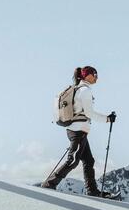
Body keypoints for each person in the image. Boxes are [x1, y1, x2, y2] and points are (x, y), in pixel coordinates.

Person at [40, 66, 117, 198]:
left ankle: (92, 191)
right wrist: (107, 119)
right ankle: (50, 184)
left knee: (88, 160)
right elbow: (89, 113)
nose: (97, 77)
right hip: (78, 131)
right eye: (95, 74)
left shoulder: (79, 89)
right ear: (87, 76)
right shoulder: (85, 91)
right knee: (73, 160)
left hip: (77, 130)